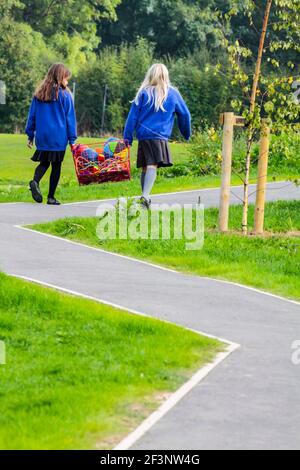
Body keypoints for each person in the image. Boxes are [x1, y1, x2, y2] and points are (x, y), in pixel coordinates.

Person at [124, 63, 191, 209]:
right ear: (166, 76)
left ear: (150, 75)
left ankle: (145, 199)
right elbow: (185, 114)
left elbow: (132, 117)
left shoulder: (143, 92)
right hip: (159, 136)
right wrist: (186, 133)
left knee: (145, 167)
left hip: (143, 137)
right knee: (152, 165)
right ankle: (145, 196)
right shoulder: (172, 93)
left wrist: (127, 137)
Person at [25, 63, 77, 205]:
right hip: (58, 137)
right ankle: (51, 197)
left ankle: (35, 181)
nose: (67, 81)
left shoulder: (39, 94)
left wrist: (30, 135)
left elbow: (32, 116)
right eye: (66, 78)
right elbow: (70, 119)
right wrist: (72, 139)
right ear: (60, 77)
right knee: (56, 165)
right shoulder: (65, 96)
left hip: (43, 136)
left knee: (44, 162)